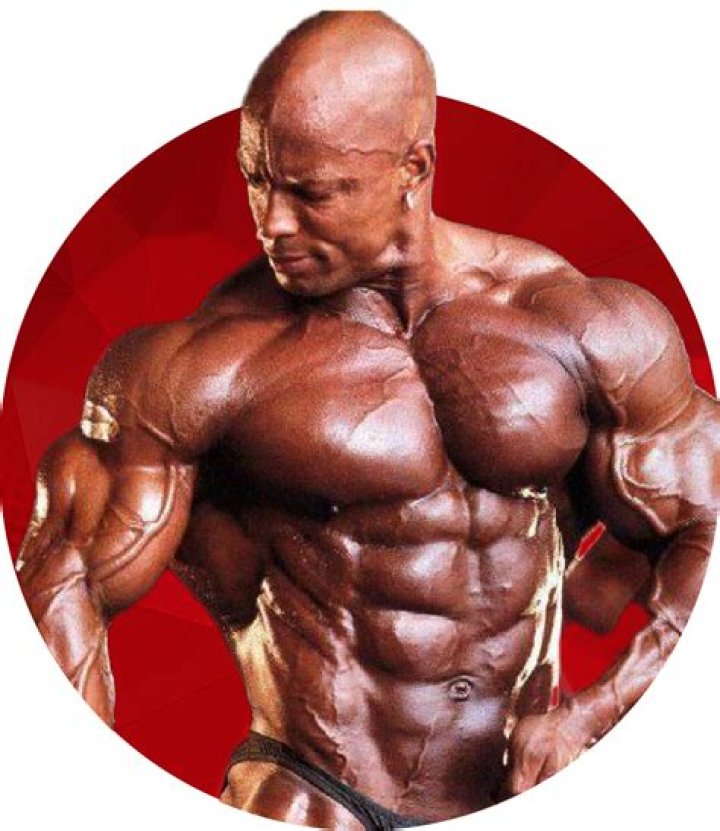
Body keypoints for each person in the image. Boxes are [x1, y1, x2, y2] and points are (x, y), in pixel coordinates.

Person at [15, 10, 719, 829]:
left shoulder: (580, 325)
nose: (272, 221)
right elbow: (61, 592)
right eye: (256, 179)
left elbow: (705, 515)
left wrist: (594, 714)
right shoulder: (199, 366)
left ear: (413, 167)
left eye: (311, 192)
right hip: (312, 791)